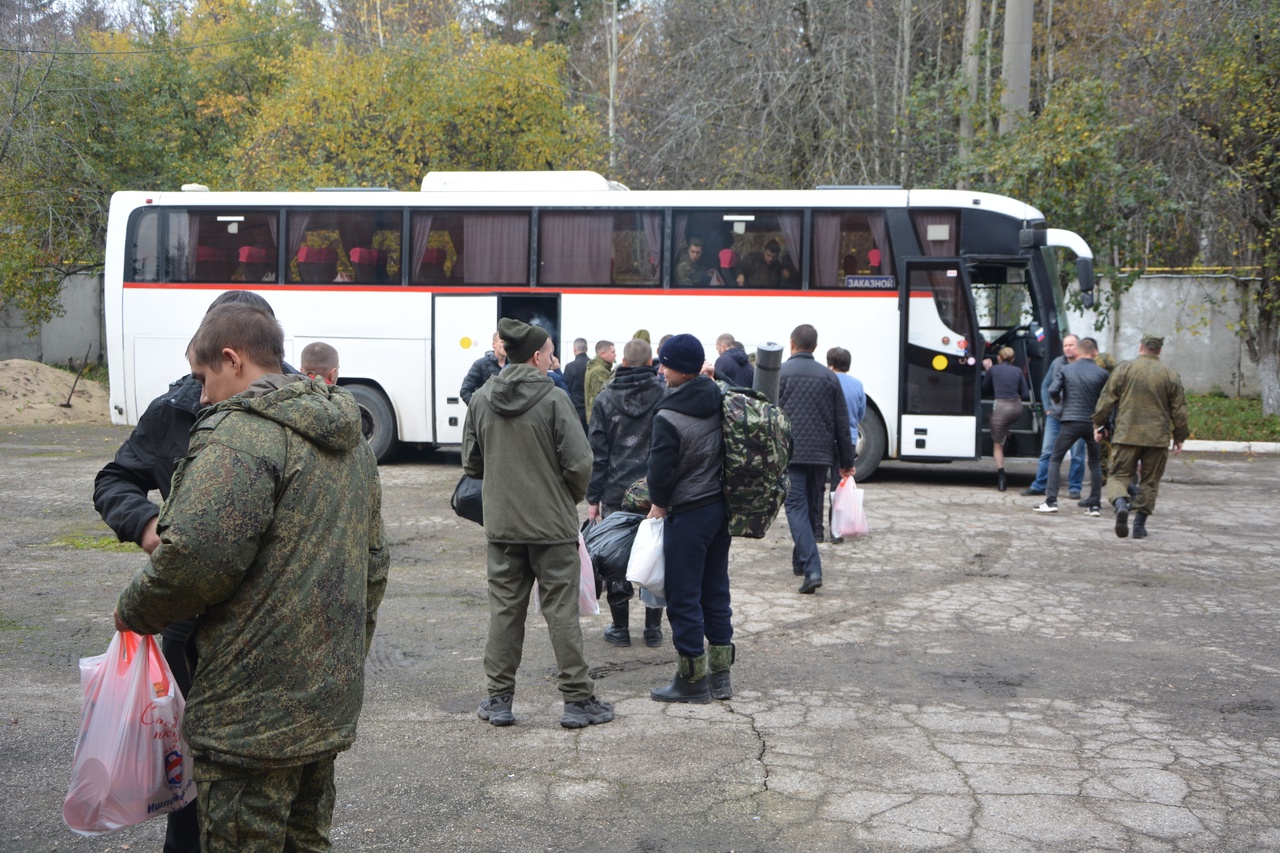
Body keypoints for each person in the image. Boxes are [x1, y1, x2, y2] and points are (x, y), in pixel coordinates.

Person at [114, 303, 388, 853]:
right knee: (305, 841)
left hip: (250, 717)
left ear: (233, 360)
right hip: (323, 702)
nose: (202, 397)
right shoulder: (348, 435)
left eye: (203, 378)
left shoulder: (241, 436)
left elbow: (198, 558)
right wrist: (340, 658)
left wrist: (134, 611)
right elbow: (374, 562)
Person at [92, 289, 293, 853]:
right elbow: (114, 478)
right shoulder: (178, 406)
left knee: (267, 781)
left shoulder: (304, 407)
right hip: (190, 620)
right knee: (193, 777)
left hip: (272, 623)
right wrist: (147, 524)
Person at [462, 318, 614, 728]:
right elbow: (580, 463)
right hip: (552, 527)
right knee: (561, 613)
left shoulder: (480, 398)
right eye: (549, 353)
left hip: (503, 526)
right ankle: (577, 702)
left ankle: (498, 701)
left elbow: (471, 464)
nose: (552, 359)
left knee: (505, 612)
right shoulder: (554, 399)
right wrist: (566, 496)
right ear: (535, 356)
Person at [646, 333, 735, 703]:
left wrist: (658, 503)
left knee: (683, 595)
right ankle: (721, 677)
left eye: (665, 364)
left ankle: (691, 681)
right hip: (720, 510)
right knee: (715, 590)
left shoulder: (668, 416)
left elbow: (659, 474)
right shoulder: (721, 397)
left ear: (680, 369)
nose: (661, 369)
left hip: (689, 512)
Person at [586, 338, 668, 648]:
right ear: (650, 363)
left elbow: (598, 454)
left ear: (622, 361)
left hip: (616, 492)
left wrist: (593, 500)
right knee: (655, 554)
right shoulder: (664, 394)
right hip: (655, 490)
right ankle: (653, 629)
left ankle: (620, 629)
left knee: (614, 558)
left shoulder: (605, 398)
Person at [778, 324, 855, 594]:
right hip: (821, 455)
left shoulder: (781, 374)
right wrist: (846, 461)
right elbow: (841, 423)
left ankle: (812, 568)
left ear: (792, 344)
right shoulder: (828, 377)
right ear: (815, 346)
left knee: (796, 509)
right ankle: (800, 561)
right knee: (811, 507)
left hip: (791, 454)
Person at [1091, 334, 1190, 539]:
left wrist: (1099, 423)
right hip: (1156, 438)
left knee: (1118, 475)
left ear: (1141, 347)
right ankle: (1139, 526)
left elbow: (1107, 399)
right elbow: (1179, 410)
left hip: (1126, 434)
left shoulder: (1124, 369)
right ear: (1159, 350)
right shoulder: (1170, 374)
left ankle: (1120, 504)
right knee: (1150, 481)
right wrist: (1179, 436)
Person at [1033, 337, 1109, 515]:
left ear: (1078, 352)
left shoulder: (1066, 369)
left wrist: (1060, 401)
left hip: (1070, 421)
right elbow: (1108, 402)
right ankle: (1095, 505)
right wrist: (1104, 425)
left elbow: (1052, 390)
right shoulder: (1102, 374)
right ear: (1095, 353)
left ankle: (1051, 501)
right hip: (1092, 423)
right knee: (1095, 463)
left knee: (1055, 458)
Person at [1022, 334, 1086, 499]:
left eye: (1071, 345)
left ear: (1078, 347)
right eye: (1066, 346)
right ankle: (1039, 485)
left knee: (1077, 455)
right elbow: (1045, 386)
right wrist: (1047, 408)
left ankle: (1075, 488)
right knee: (1046, 452)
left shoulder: (1084, 365)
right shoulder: (1057, 363)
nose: (1068, 348)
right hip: (1055, 417)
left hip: (1077, 417)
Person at [826, 346, 866, 542]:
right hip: (848, 439)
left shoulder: (826, 381)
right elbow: (861, 414)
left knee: (817, 486)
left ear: (830, 364)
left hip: (825, 439)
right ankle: (837, 531)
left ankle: (816, 530)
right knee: (839, 484)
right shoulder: (857, 385)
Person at [982, 346, 1030, 492]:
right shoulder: (1017, 371)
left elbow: (984, 389)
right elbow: (1026, 394)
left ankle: (1002, 478)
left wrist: (988, 370)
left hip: (1002, 409)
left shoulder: (993, 370)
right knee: (1002, 424)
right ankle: (1009, 436)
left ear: (999, 357)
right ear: (1013, 359)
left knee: (997, 444)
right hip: (1017, 408)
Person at [460, 331, 507, 405]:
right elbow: (465, 391)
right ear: (494, 345)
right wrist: (478, 409)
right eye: (503, 342)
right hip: (488, 414)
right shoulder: (480, 364)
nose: (506, 345)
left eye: (508, 342)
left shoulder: (513, 365)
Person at [583, 339, 616, 423]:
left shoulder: (597, 367)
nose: (615, 355)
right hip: (599, 420)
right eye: (613, 352)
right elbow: (600, 397)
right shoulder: (600, 371)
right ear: (603, 354)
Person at [563, 337, 590, 431]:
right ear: (587, 349)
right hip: (591, 411)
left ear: (574, 349)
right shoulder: (592, 365)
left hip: (577, 410)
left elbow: (566, 388)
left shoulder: (570, 367)